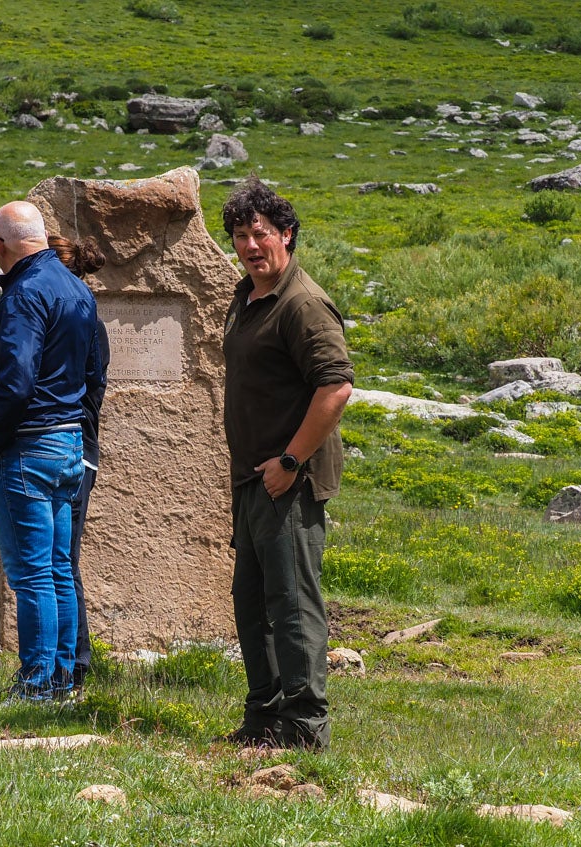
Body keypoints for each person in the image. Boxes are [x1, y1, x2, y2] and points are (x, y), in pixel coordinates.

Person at [220, 177, 353, 750]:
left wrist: (292, 460)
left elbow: (336, 388)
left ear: (287, 235)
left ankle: (305, 731)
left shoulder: (302, 303)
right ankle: (264, 721)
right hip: (252, 479)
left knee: (293, 606)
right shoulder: (247, 293)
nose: (251, 246)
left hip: (287, 482)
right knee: (252, 606)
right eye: (241, 236)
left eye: (261, 234)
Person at [0, 201, 103, 702]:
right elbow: (92, 374)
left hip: (26, 444)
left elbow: (17, 379)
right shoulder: (76, 289)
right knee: (59, 567)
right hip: (68, 442)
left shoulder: (25, 294)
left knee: (31, 573)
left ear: (2, 245)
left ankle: (37, 682)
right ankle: (64, 677)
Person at [47, 235, 110, 696]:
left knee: (61, 560)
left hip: (74, 449)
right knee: (55, 559)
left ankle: (72, 661)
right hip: (78, 449)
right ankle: (64, 659)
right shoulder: (81, 319)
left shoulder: (80, 322)